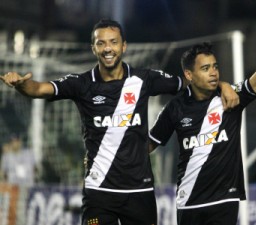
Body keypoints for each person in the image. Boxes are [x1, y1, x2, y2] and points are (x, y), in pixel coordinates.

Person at [0, 19, 238, 225]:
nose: (108, 48)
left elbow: (191, 82)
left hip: (139, 192)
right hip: (99, 194)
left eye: (113, 42)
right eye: (101, 43)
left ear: (123, 46)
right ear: (93, 48)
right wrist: (22, 84)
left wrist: (223, 85)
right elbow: (41, 88)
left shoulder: (144, 79)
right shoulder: (81, 84)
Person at [149, 4, 256, 225]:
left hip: (223, 201)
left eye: (215, 66)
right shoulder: (175, 108)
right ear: (189, 74)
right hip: (187, 202)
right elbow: (148, 145)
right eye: (205, 68)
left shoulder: (232, 98)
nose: (213, 72)